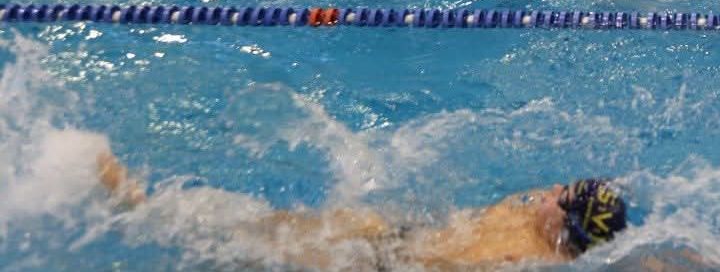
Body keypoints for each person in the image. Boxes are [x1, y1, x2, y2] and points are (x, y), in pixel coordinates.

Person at [98, 151, 627, 265]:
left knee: (255, 246)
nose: (552, 189)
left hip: (384, 261)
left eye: (562, 197)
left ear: (565, 223)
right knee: (277, 228)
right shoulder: (537, 221)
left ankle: (142, 211)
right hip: (399, 237)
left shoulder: (522, 258)